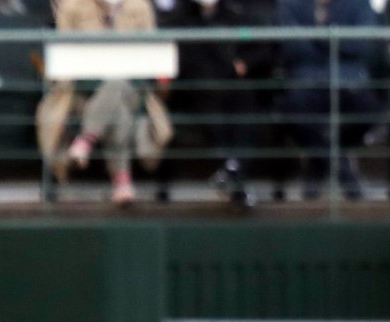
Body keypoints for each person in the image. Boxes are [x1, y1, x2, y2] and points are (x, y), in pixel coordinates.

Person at [38, 0, 172, 205]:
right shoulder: (72, 7)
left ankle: (86, 140)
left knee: (116, 85)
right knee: (117, 109)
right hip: (85, 92)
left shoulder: (139, 6)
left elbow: (151, 56)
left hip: (132, 90)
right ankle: (122, 181)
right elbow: (65, 59)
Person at [160, 0, 273, 209]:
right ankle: (235, 175)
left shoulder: (235, 13)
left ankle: (233, 168)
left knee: (247, 105)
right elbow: (181, 58)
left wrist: (244, 63)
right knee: (210, 111)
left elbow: (260, 46)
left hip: (232, 83)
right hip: (199, 89)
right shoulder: (182, 18)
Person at [278, 0, 381, 199]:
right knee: (291, 111)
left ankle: (320, 162)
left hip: (349, 79)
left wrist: (314, 35)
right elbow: (292, 47)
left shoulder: (359, 3)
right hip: (306, 80)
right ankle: (343, 170)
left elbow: (358, 45)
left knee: (370, 110)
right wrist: (333, 37)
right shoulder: (290, 4)